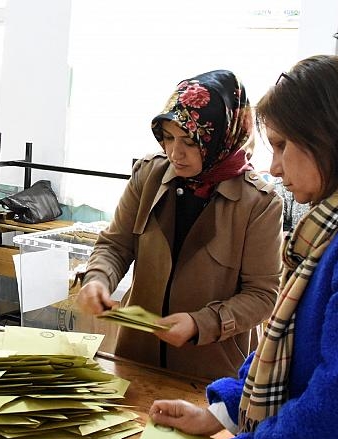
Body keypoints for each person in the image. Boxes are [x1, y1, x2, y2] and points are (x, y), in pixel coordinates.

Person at [149, 55, 338, 439]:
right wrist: (222, 413)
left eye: (281, 146)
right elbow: (292, 355)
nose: (274, 167)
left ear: (327, 139)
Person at [76, 70, 283, 380]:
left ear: (221, 137)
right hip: (137, 359)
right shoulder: (149, 176)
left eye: (190, 140)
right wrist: (98, 279)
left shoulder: (259, 203)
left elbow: (263, 296)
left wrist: (201, 323)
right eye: (169, 138)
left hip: (210, 373)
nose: (175, 152)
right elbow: (115, 246)